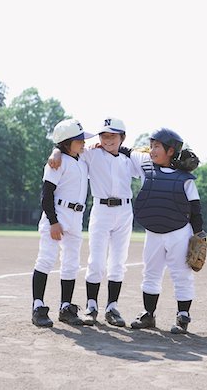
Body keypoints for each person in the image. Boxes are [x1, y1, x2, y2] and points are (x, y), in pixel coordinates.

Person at [48, 118, 139, 328]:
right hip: (101, 210)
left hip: (125, 211)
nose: (107, 140)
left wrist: (127, 150)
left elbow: (145, 162)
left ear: (121, 137)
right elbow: (67, 147)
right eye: (104, 135)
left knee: (118, 261)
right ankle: (91, 306)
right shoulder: (91, 153)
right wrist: (54, 152)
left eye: (113, 136)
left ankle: (112, 307)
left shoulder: (129, 159)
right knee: (96, 261)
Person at [127, 128, 205, 334]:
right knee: (151, 273)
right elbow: (125, 151)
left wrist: (199, 234)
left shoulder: (185, 178)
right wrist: (103, 143)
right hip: (153, 232)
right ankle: (148, 314)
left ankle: (183, 316)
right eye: (151, 146)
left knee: (181, 274)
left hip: (179, 233)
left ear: (170, 151)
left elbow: (195, 209)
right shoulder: (146, 167)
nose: (152, 150)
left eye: (157, 146)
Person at [32, 118, 94, 327]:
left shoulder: (81, 159)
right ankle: (38, 306)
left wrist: (56, 149)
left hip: (76, 218)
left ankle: (65, 307)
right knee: (46, 259)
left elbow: (98, 146)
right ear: (67, 142)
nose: (83, 143)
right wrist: (53, 221)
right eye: (79, 140)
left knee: (71, 263)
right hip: (56, 214)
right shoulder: (56, 163)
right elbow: (46, 195)